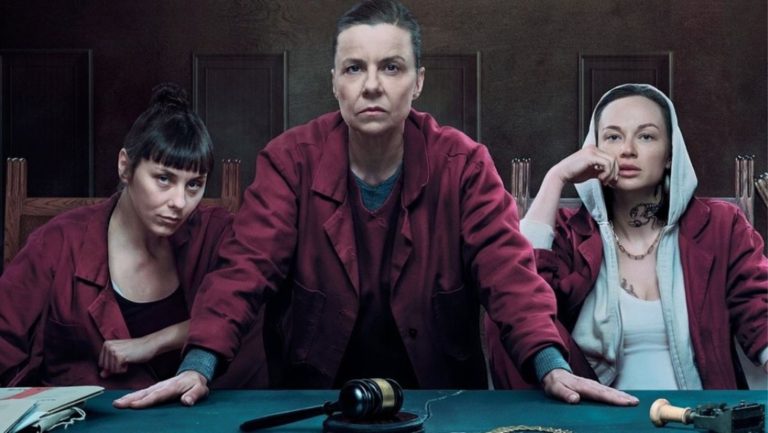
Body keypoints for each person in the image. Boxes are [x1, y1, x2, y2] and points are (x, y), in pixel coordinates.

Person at [114, 0, 637, 408]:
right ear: (334, 83)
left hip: (441, 400)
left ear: (418, 82)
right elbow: (243, 272)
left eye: (390, 67)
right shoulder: (290, 162)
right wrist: (198, 365)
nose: (371, 86)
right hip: (312, 401)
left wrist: (550, 364)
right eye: (353, 69)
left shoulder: (464, 165)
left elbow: (510, 275)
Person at [486, 83, 768, 390]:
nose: (628, 150)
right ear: (593, 149)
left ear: (670, 154)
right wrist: (556, 177)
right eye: (613, 137)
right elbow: (518, 294)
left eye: (646, 136)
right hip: (591, 411)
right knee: (506, 311)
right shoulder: (569, 233)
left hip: (699, 410)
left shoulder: (720, 226)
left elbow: (758, 307)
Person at [0, 83, 266, 389]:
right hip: (94, 412)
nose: (180, 202)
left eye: (194, 184)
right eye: (164, 178)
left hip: (200, 412)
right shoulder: (58, 243)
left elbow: (245, 310)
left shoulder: (217, 234)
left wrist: (155, 342)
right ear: (125, 167)